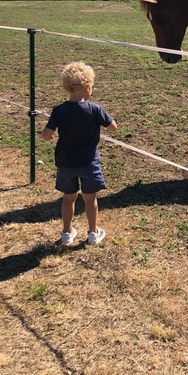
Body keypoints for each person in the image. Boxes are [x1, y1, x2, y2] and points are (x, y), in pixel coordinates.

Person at [41, 61, 117, 246]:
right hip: (89, 163)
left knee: (68, 198)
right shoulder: (95, 109)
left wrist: (48, 135)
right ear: (87, 87)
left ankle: (67, 233)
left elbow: (46, 134)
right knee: (90, 199)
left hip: (66, 163)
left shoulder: (59, 110)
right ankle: (93, 233)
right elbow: (113, 127)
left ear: (68, 88)